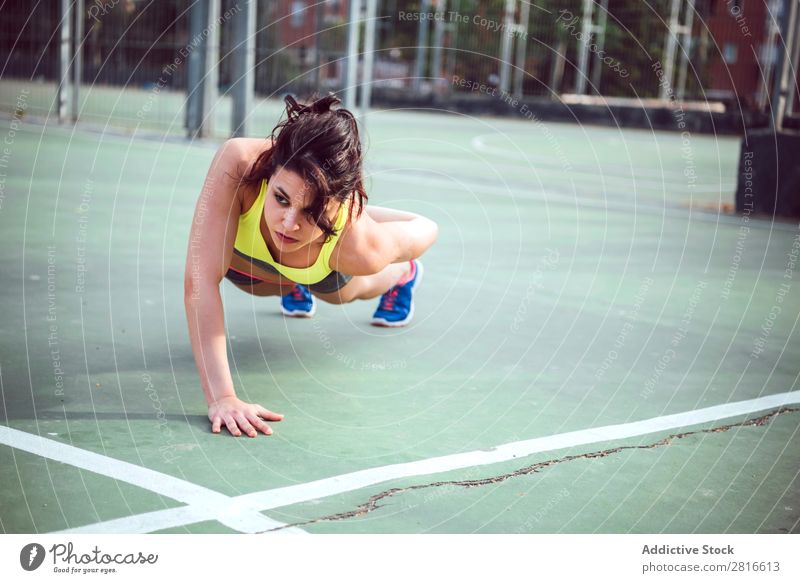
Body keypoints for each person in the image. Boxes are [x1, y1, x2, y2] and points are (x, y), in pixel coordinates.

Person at [183, 94, 438, 438]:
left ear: (340, 206)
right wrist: (223, 397)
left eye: (313, 211)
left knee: (347, 292)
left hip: (323, 265)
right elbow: (200, 283)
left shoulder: (360, 245)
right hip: (253, 270)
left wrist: (361, 218)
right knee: (241, 278)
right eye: (281, 199)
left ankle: (403, 278)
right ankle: (293, 277)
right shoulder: (239, 163)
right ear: (270, 174)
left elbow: (426, 227)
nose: (288, 223)